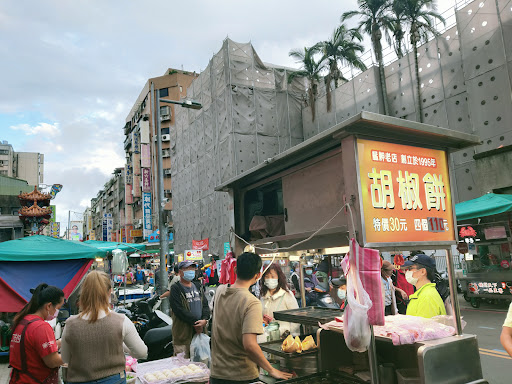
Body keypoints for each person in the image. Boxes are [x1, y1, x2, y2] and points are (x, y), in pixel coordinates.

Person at [210, 252, 293, 383]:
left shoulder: (220, 291)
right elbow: (249, 345)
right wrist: (271, 370)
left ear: (236, 270)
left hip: (217, 374)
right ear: (258, 275)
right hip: (241, 376)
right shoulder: (251, 302)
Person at [61, 271, 147, 383]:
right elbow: (142, 353)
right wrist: (120, 345)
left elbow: (65, 359)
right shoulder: (121, 320)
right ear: (110, 292)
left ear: (84, 293)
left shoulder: (70, 324)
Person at [9, 283, 65, 384]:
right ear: (49, 306)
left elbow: (36, 348)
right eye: (58, 308)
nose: (58, 312)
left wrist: (63, 342)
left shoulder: (23, 321)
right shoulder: (41, 327)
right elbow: (52, 361)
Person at [169, 261, 210, 358]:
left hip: (200, 333)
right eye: (187, 269)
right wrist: (196, 322)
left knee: (201, 364)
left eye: (192, 269)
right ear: (180, 272)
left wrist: (205, 320)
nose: (191, 271)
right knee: (183, 366)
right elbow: (178, 310)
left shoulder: (198, 286)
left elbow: (205, 305)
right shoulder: (175, 288)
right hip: (183, 335)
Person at [260, 263, 300, 337]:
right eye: (267, 277)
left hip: (284, 338)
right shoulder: (263, 296)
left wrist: (288, 333)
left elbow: (297, 318)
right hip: (267, 337)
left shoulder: (287, 295)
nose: (270, 279)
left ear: (279, 277)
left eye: (273, 276)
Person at [402, 254, 446, 318]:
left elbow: (425, 326)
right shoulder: (422, 293)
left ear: (422, 271)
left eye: (410, 268)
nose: (407, 272)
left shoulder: (427, 297)